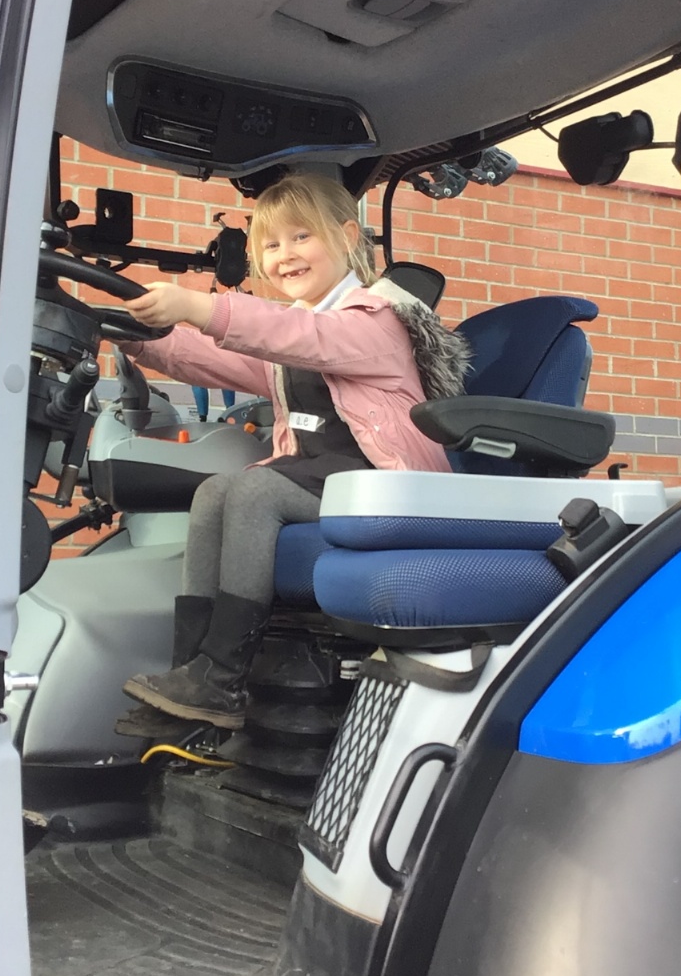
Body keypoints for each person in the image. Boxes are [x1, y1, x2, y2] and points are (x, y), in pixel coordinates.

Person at [118, 173, 469, 728]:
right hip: (322, 477)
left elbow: (300, 338)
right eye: (271, 245)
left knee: (256, 490)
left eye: (301, 237)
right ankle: (190, 674)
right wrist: (134, 333)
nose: (284, 255)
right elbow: (221, 357)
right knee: (215, 492)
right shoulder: (297, 329)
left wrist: (197, 304)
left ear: (347, 236)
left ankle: (222, 679)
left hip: (382, 482)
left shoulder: (375, 319)